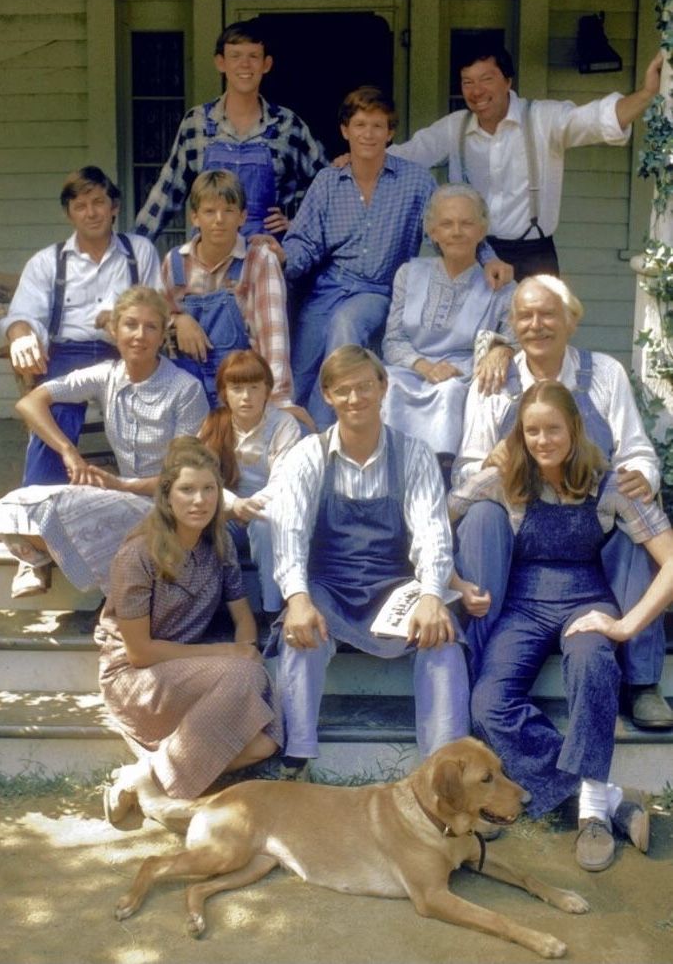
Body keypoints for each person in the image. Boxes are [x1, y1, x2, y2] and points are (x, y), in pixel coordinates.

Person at [448, 381, 673, 872]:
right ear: (519, 435)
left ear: (574, 427)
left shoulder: (610, 484)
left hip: (584, 602)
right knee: (488, 704)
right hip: (522, 608)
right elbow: (431, 524)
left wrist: (623, 625)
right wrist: (453, 581)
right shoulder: (502, 478)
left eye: (553, 428)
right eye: (532, 431)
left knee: (593, 660)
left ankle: (591, 817)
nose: (543, 440)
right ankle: (601, 794)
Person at [451, 274, 673, 730]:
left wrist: (639, 478)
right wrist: (488, 468)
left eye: (548, 314)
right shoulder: (494, 379)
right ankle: (482, 652)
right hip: (518, 529)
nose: (536, 325)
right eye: (525, 316)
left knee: (637, 525)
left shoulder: (604, 373)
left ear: (571, 320)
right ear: (512, 325)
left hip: (596, 523)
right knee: (480, 518)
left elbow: (635, 447)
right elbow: (464, 473)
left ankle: (642, 681)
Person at [267, 345, 469, 781]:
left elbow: (432, 532)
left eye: (364, 387)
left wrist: (433, 595)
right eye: (344, 390)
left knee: (443, 638)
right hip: (330, 586)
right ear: (326, 397)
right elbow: (289, 536)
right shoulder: (307, 456)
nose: (355, 398)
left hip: (393, 585)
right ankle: (296, 759)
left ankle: (446, 771)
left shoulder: (414, 453)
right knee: (298, 630)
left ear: (383, 387)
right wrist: (298, 598)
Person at [98, 437, 282, 823]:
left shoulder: (218, 544)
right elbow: (139, 653)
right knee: (242, 673)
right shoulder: (138, 555)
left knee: (267, 741)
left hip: (187, 675)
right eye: (187, 489)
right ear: (166, 496)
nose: (199, 500)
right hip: (135, 677)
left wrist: (246, 644)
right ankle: (163, 790)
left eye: (208, 489)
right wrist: (229, 654)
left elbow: (242, 615)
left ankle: (142, 776)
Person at [0, 288, 208, 598]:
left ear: (162, 335)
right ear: (115, 330)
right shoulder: (108, 375)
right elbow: (31, 403)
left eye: (151, 327)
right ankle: (115, 579)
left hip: (169, 510)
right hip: (122, 500)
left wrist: (118, 485)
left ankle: (127, 592)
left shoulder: (185, 390)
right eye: (130, 324)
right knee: (13, 507)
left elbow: (185, 483)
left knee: (77, 512)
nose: (139, 335)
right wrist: (69, 452)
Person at [388, 41, 663, 280]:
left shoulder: (542, 118)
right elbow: (404, 157)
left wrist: (648, 92)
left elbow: (597, 120)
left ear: (508, 81)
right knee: (474, 339)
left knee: (536, 337)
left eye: (486, 79)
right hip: (472, 256)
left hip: (534, 257)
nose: (476, 91)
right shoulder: (454, 127)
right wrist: (350, 160)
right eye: (467, 82)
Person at [280, 86, 440, 428]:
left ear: (390, 132)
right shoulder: (327, 181)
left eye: (378, 126)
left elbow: (446, 229)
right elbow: (305, 244)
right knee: (301, 369)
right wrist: (280, 257)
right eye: (361, 125)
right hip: (328, 288)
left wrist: (486, 259)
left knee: (345, 324)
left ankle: (330, 436)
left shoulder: (415, 181)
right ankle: (291, 449)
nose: (369, 134)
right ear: (345, 130)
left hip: (378, 290)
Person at [2, 166, 162, 486]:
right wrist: (20, 334)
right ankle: (40, 507)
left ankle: (143, 499)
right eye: (80, 206)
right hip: (67, 351)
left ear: (114, 207)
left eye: (99, 202)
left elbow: (156, 310)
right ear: (69, 214)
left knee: (148, 408)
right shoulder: (48, 261)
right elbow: (23, 314)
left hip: (124, 351)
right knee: (57, 408)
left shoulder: (139, 252)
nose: (91, 213)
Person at [134, 19, 327, 241]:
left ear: (267, 64)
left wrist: (296, 222)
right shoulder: (196, 123)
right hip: (206, 259)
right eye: (235, 56)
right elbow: (167, 192)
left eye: (253, 56)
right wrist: (133, 251)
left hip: (266, 256)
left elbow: (326, 187)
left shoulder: (287, 125)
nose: (245, 65)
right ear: (220, 63)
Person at [381, 183, 515, 460]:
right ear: (433, 232)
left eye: (466, 223)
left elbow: (514, 339)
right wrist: (425, 367)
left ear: (481, 231)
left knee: (449, 391)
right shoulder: (408, 274)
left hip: (463, 375)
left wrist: (502, 349)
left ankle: (442, 469)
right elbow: (393, 339)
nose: (456, 232)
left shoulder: (502, 286)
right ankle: (391, 470)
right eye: (446, 224)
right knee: (388, 383)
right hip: (411, 370)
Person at [161, 169, 301, 416]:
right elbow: (153, 325)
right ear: (194, 217)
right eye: (209, 211)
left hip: (241, 391)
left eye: (228, 211)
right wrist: (178, 320)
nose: (219, 220)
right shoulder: (174, 264)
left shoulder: (259, 260)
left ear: (242, 216)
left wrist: (277, 402)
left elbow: (273, 336)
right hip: (185, 393)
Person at [198, 349, 301, 616]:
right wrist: (234, 505)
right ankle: (205, 611)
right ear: (224, 392)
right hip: (228, 511)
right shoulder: (213, 424)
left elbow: (284, 480)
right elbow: (202, 478)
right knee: (195, 527)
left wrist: (250, 507)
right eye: (237, 388)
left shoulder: (284, 425)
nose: (246, 397)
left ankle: (272, 610)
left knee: (265, 525)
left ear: (267, 390)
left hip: (271, 512)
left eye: (254, 387)